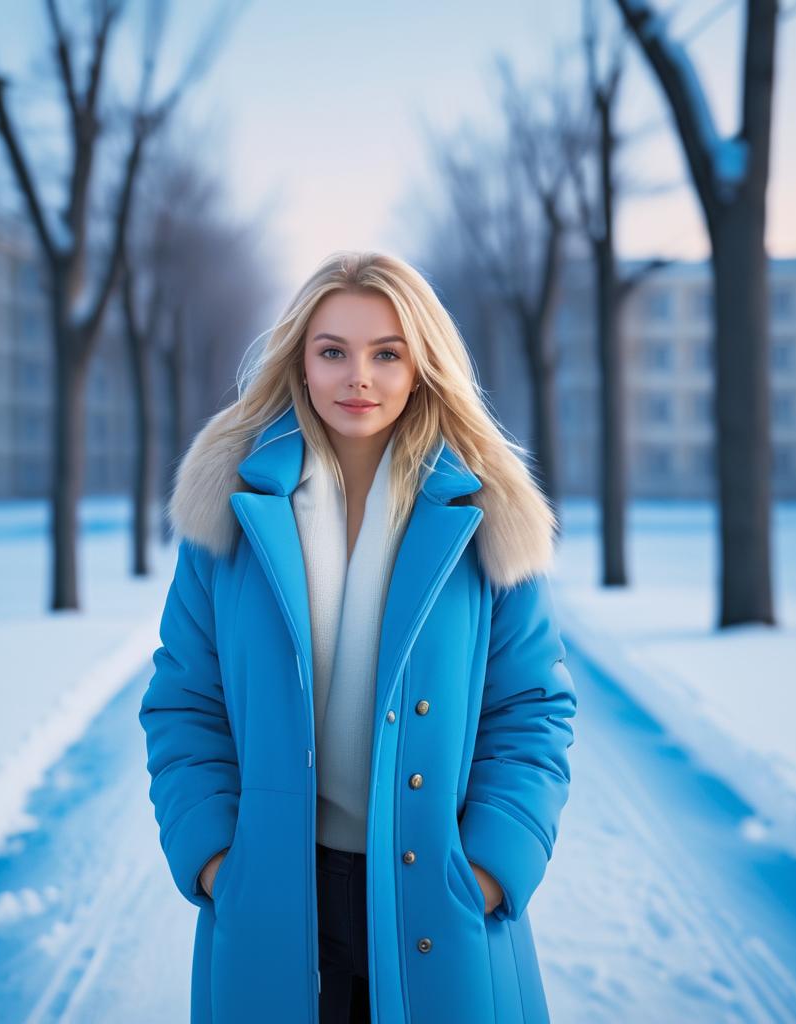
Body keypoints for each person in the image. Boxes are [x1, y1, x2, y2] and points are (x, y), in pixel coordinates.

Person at [138, 251, 577, 1024]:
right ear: (300, 364)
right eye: (333, 351)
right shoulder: (230, 503)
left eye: (386, 353)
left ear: (421, 366)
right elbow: (184, 702)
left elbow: (533, 708)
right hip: (274, 890)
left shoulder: (488, 511)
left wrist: (489, 870)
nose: (358, 378)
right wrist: (212, 860)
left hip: (438, 894)